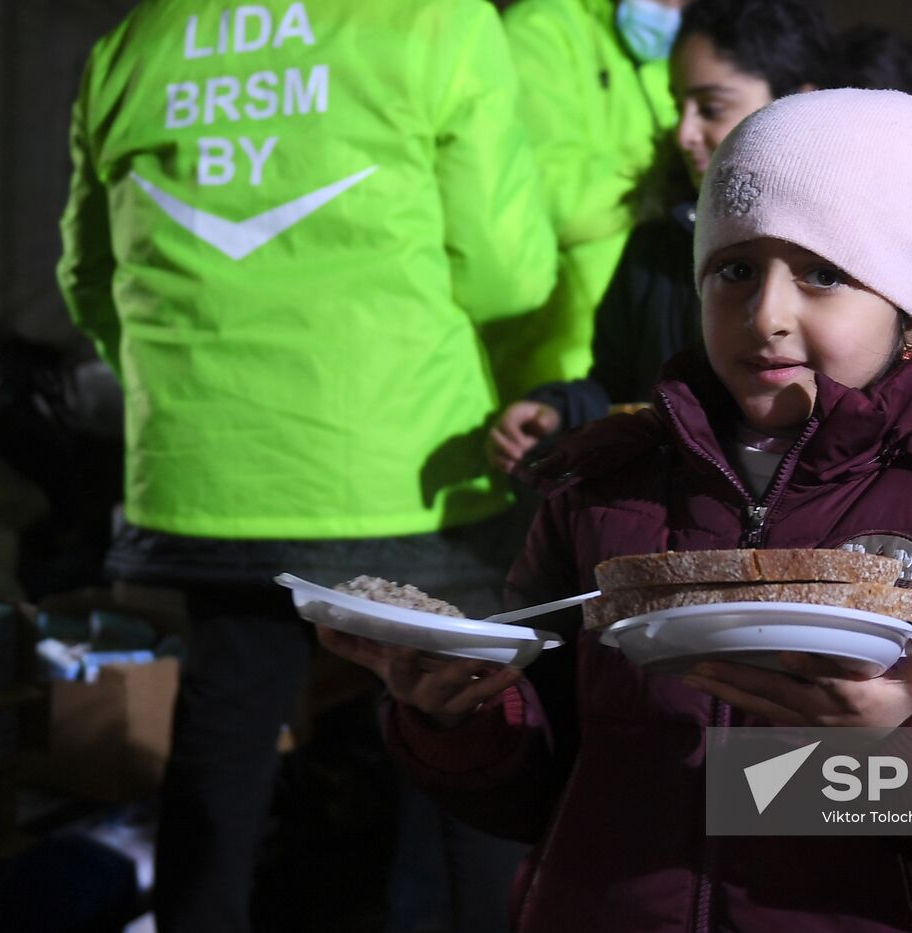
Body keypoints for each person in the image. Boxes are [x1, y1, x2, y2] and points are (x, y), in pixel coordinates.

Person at [322, 89, 912, 931]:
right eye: (735, 269)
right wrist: (464, 710)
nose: (767, 315)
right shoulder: (607, 491)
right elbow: (552, 787)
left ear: (908, 307)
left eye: (824, 274)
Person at [55, 1, 557, 930]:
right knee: (465, 735)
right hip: (404, 470)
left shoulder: (135, 42)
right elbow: (509, 274)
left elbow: (89, 280)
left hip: (206, 479)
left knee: (223, 737)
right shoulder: (433, 24)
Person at [489, 0, 912, 474]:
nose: (684, 132)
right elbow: (619, 388)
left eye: (711, 107)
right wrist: (559, 410)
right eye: (678, 106)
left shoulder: (867, 242)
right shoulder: (655, 245)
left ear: (797, 100)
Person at [482, 0, 686, 405]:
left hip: (649, 355)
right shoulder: (540, 28)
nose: (673, 8)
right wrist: (669, 179)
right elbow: (550, 197)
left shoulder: (676, 50)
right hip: (564, 364)